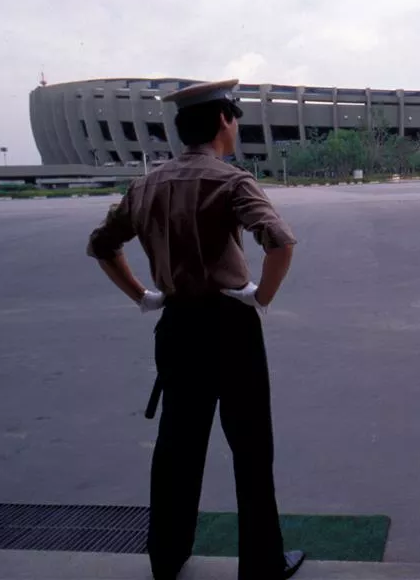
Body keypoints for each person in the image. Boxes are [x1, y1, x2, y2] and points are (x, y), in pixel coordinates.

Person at [86, 79, 305, 580]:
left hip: (177, 325)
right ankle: (261, 564)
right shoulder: (231, 180)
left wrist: (143, 295)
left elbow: (103, 244)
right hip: (230, 325)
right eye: (235, 118)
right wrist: (261, 297)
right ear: (224, 120)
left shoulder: (146, 185)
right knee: (250, 446)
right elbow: (279, 241)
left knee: (177, 444)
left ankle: (167, 557)